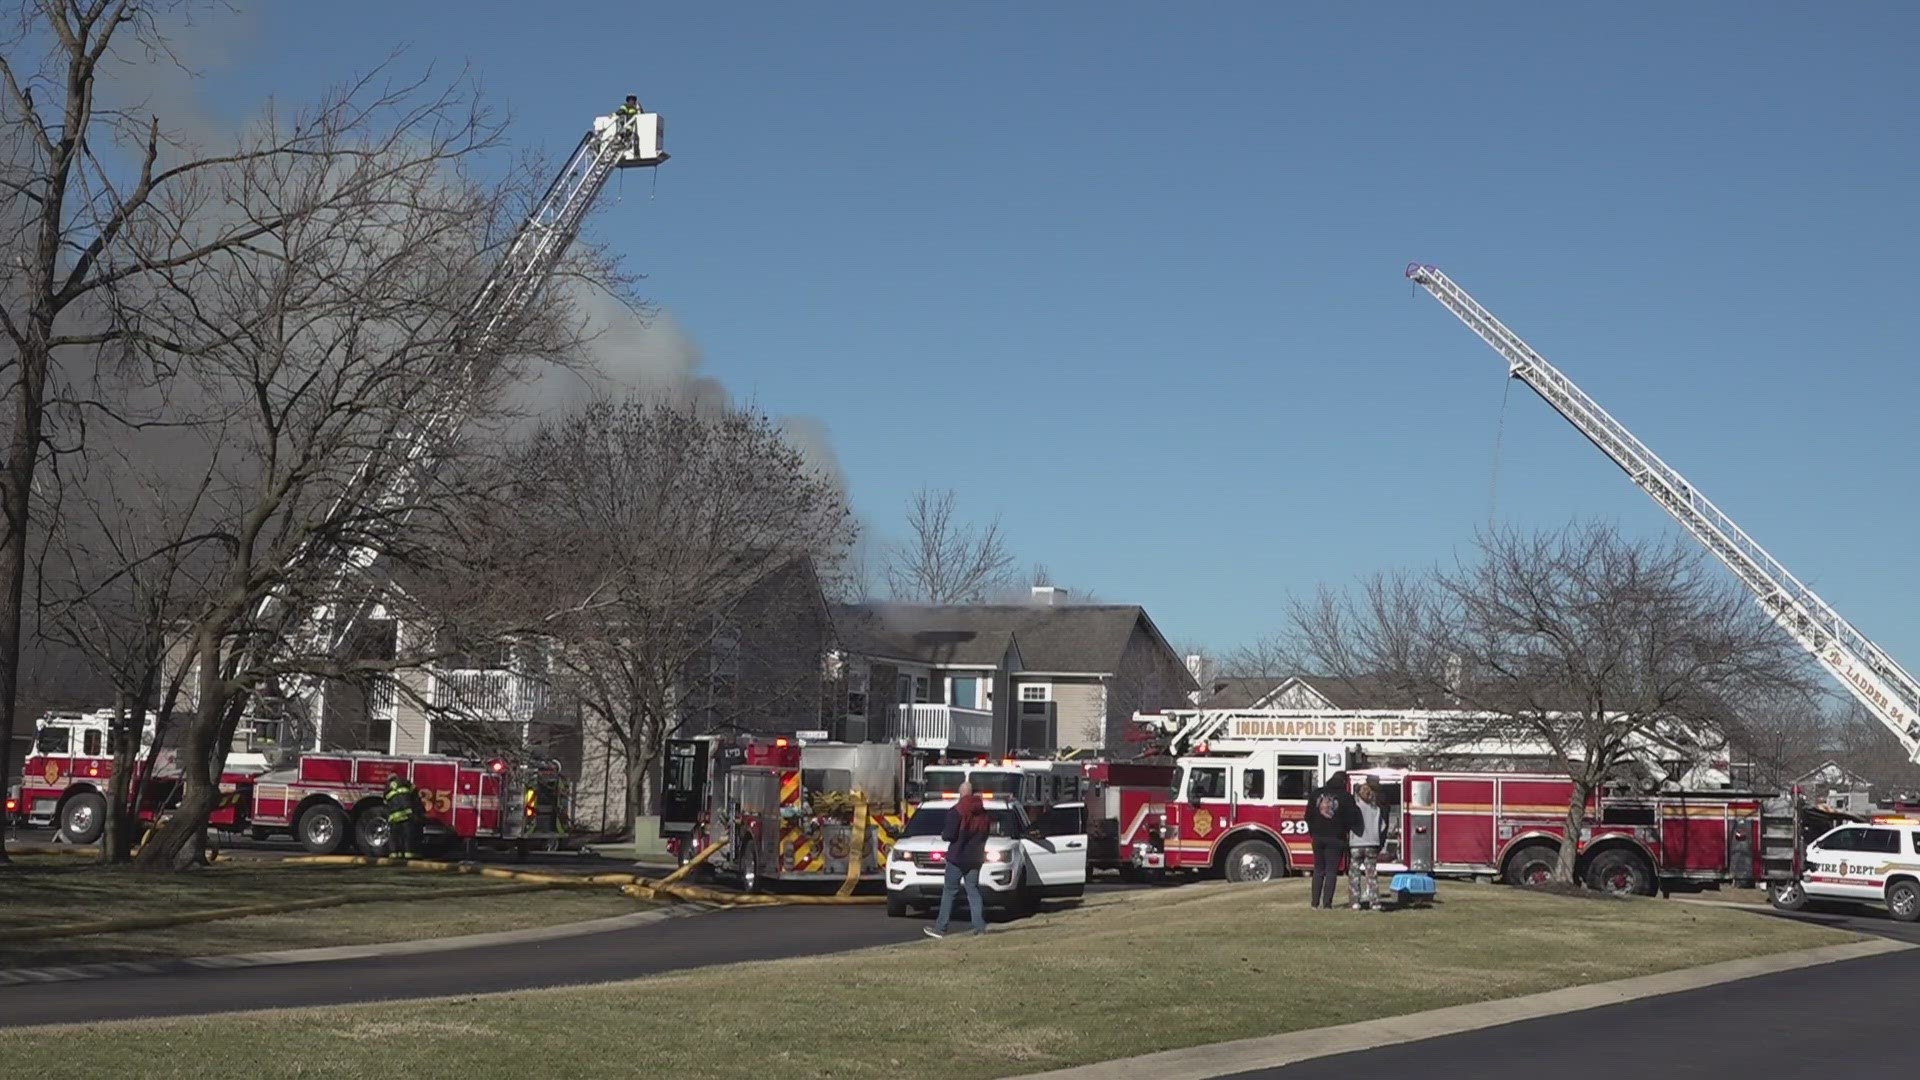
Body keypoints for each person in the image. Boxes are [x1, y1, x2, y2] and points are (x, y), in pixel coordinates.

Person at [926, 780, 990, 939]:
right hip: (975, 858)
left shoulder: (957, 811)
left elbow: (949, 835)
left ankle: (941, 928)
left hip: (957, 857)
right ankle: (979, 927)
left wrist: (944, 834)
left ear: (961, 794)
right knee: (973, 892)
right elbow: (985, 834)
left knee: (949, 892)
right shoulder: (983, 813)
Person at [1305, 770, 1357, 910]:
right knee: (1331, 871)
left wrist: (1313, 831)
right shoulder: (1346, 797)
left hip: (1318, 836)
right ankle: (1327, 903)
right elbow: (1352, 818)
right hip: (1336, 837)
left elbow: (1308, 815)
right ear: (1344, 782)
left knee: (1318, 870)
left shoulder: (1316, 794)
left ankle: (1314, 903)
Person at [1348, 780, 1385, 911]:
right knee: (1372, 874)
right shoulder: (1377, 809)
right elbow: (1382, 827)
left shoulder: (1354, 808)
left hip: (1356, 844)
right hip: (1372, 844)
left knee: (1354, 873)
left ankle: (1355, 902)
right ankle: (1375, 902)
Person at [385, 773, 422, 861]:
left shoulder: (387, 788)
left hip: (394, 816)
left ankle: (394, 854)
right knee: (407, 835)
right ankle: (408, 854)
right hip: (406, 814)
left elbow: (386, 802)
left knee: (395, 835)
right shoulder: (404, 782)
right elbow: (415, 790)